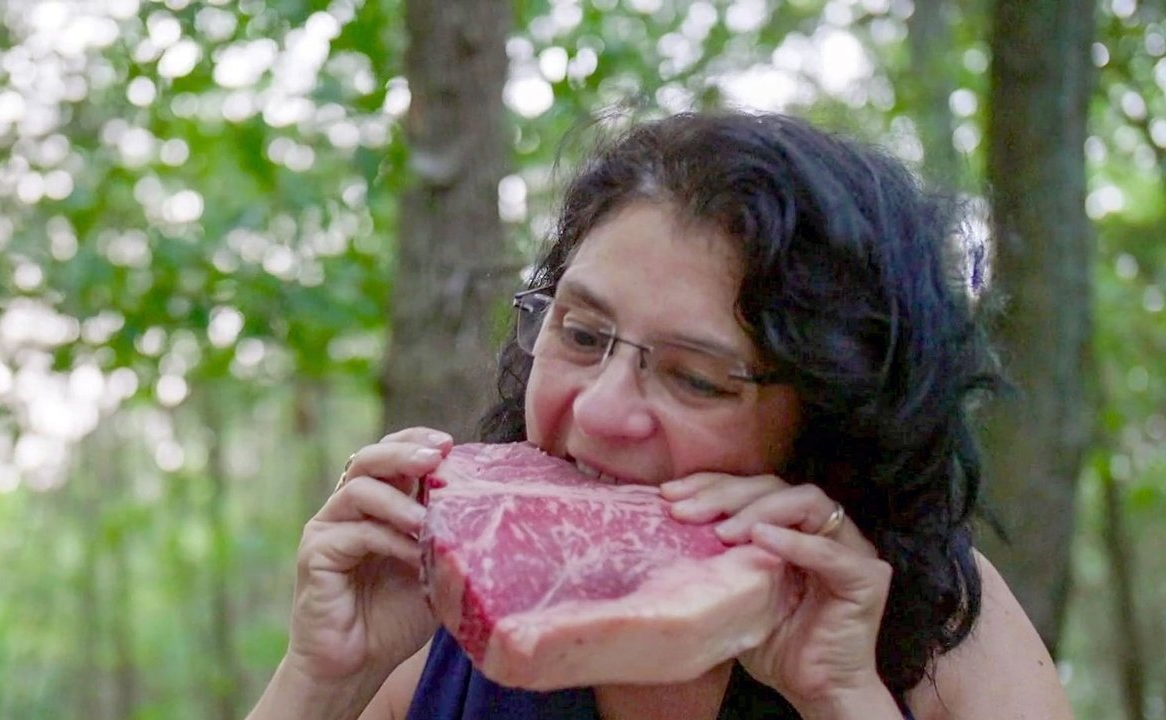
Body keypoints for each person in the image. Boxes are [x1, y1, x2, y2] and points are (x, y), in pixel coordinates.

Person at [247, 110, 1073, 719]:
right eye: (580, 332)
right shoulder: (435, 629)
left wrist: (841, 698)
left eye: (697, 379)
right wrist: (322, 680)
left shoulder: (938, 623)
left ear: (831, 420)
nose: (599, 412)